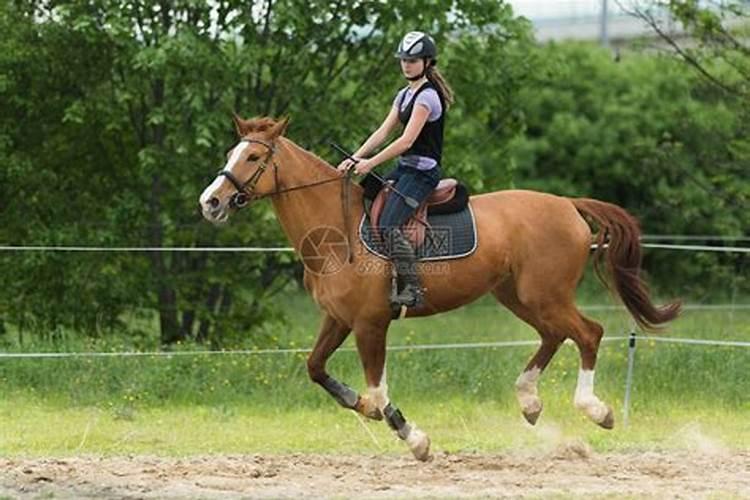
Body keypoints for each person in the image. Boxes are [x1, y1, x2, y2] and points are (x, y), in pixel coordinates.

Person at [337, 31, 454, 309]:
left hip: (422, 174)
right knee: (362, 195)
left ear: (427, 62)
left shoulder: (428, 97)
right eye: (403, 59)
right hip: (403, 169)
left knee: (389, 225)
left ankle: (412, 288)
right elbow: (382, 132)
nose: (406, 65)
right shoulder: (404, 94)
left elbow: (406, 141)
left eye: (412, 60)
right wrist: (355, 158)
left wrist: (371, 163)